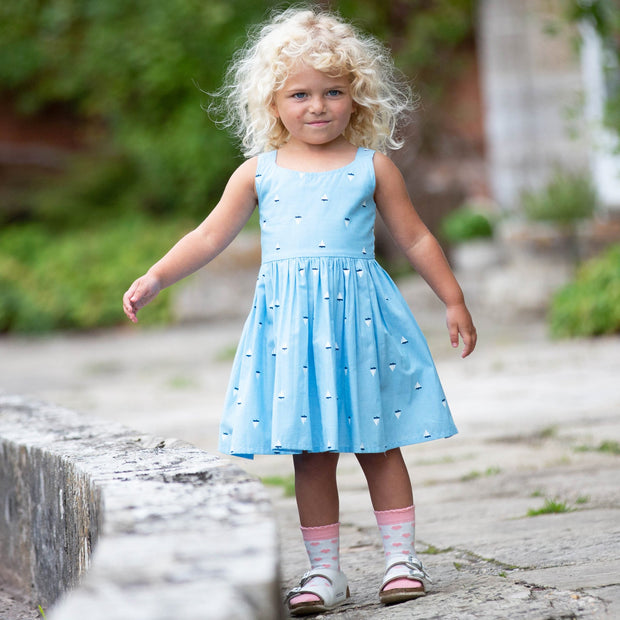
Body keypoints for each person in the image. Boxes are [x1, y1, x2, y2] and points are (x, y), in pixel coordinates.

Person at [122, 7, 476, 616]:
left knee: (379, 443)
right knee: (310, 454)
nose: (318, 106)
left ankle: (400, 561)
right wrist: (156, 276)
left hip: (361, 328)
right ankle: (325, 574)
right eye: (301, 94)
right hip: (294, 334)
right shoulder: (259, 173)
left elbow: (416, 238)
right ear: (273, 102)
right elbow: (209, 237)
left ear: (357, 98)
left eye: (334, 92)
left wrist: (453, 299)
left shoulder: (372, 167)